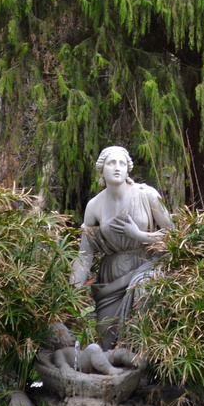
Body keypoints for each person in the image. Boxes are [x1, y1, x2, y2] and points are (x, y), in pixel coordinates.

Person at [72, 145, 173, 348]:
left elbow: (174, 235)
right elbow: (85, 253)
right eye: (111, 163)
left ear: (128, 169)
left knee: (140, 325)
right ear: (102, 170)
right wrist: (73, 290)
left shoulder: (147, 195)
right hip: (112, 273)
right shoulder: (94, 205)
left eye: (122, 163)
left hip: (146, 265)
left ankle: (142, 371)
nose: (117, 167)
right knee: (107, 339)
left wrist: (139, 235)